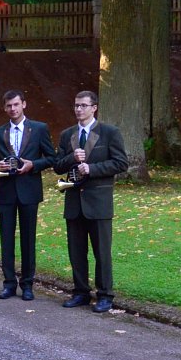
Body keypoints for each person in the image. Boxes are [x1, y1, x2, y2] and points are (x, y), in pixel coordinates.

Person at [54, 90, 128, 313]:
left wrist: (92, 169)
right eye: (76, 105)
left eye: (83, 105)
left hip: (99, 202)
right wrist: (72, 158)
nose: (79, 109)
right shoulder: (67, 135)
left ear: (94, 108)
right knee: (76, 252)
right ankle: (81, 292)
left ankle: (105, 295)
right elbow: (57, 165)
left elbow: (121, 163)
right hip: (74, 202)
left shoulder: (110, 132)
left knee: (102, 252)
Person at [0, 90, 56, 302]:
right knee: (6, 240)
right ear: (4, 108)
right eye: (9, 105)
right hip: (6, 192)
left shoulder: (39, 129)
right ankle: (9, 284)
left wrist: (33, 164)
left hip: (29, 191)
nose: (13, 109)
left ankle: (27, 285)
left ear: (24, 104)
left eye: (16, 104)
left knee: (28, 240)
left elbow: (51, 158)